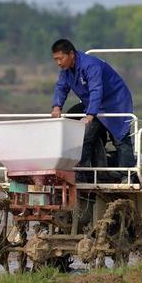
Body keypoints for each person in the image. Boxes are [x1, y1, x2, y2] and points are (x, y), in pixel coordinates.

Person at [50, 39, 135, 182]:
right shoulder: (66, 71)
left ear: (71, 54)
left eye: (60, 58)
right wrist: (57, 106)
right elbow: (61, 87)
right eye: (56, 59)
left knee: (120, 138)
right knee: (74, 123)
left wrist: (90, 115)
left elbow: (96, 89)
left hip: (115, 102)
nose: (58, 62)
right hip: (92, 103)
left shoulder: (90, 65)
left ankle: (127, 175)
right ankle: (83, 173)